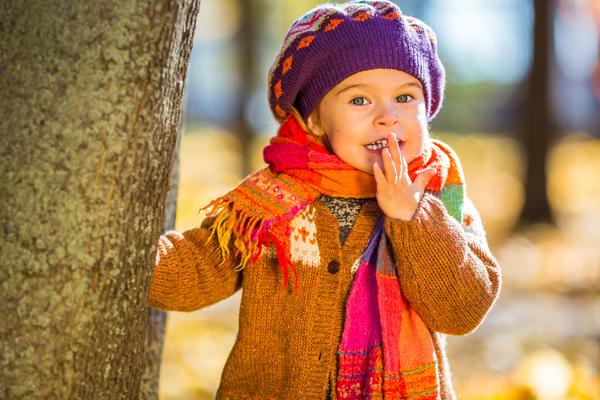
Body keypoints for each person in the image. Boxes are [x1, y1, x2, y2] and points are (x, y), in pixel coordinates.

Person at [148, 1, 502, 399]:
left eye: (405, 97)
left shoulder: (438, 195)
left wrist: (412, 216)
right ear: (314, 120)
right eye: (359, 100)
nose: (388, 116)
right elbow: (198, 269)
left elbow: (462, 310)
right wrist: (132, 256)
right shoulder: (273, 202)